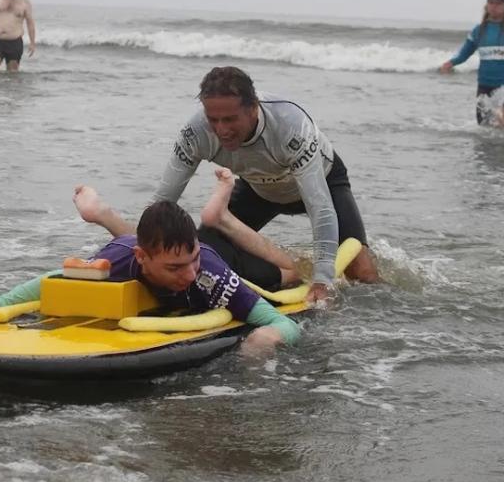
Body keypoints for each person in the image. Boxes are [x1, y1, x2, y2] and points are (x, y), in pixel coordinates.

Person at [0, 189, 300, 351]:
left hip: (230, 259)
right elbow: (50, 283)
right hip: (134, 245)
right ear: (143, 258)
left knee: (288, 276)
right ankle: (103, 213)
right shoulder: (120, 259)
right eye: (175, 267)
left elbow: (280, 321)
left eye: (190, 261)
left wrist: (271, 337)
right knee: (124, 243)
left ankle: (224, 219)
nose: (188, 274)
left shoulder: (209, 274)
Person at [153, 66, 379, 305]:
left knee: (361, 273)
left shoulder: (290, 125)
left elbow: (320, 208)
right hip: (258, 189)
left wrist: (322, 280)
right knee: (208, 248)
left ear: (253, 109)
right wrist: (143, 253)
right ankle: (284, 277)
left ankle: (378, 316)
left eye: (230, 119)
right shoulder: (196, 132)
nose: (221, 130)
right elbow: (163, 201)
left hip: (323, 182)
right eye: (213, 119)